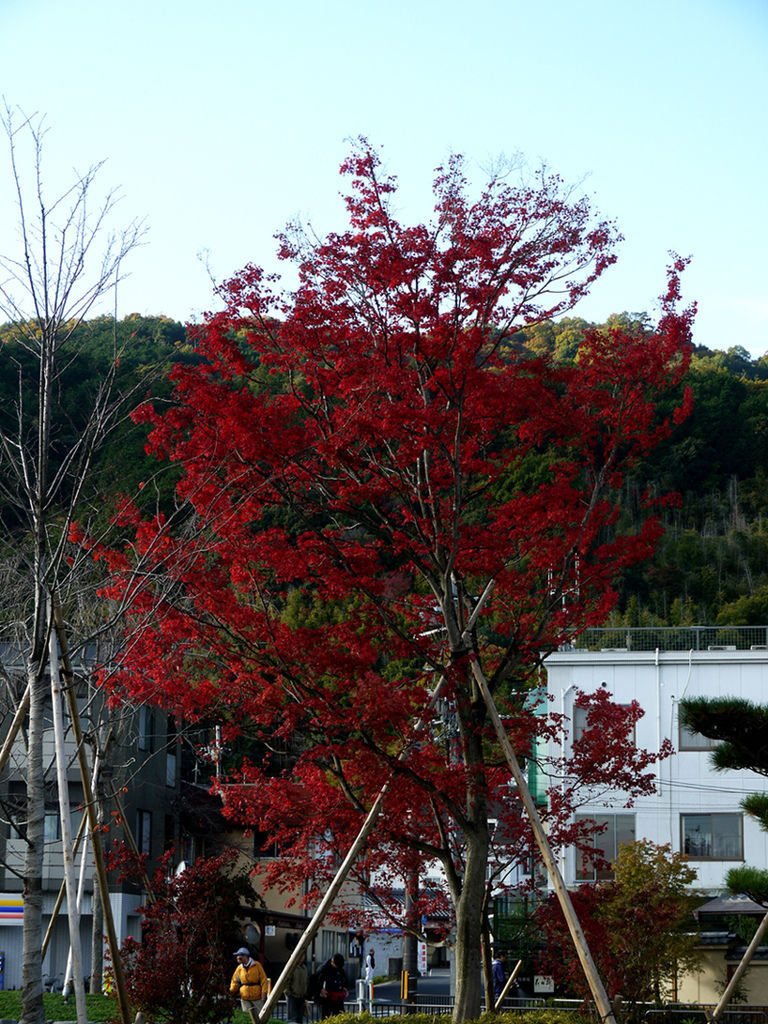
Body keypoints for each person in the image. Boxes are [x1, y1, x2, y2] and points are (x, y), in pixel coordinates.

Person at [229, 946, 269, 1019]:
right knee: (247, 1017)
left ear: (245, 956)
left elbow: (264, 980)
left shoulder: (257, 965)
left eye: (240, 957)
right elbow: (234, 981)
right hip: (245, 997)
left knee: (261, 1016)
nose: (238, 958)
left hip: (257, 997)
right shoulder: (239, 968)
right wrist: (231, 991)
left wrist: (264, 993)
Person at [315, 953, 348, 1019]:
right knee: (326, 1017)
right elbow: (315, 981)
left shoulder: (339, 968)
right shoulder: (323, 969)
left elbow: (344, 978)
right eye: (336, 966)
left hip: (338, 997)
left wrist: (344, 987)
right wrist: (320, 989)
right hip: (326, 998)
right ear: (332, 962)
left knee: (340, 1016)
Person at [285, 953, 308, 1023]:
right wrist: (288, 993)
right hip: (292, 996)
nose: (302, 957)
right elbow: (286, 981)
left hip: (301, 996)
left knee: (299, 1018)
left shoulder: (304, 968)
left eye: (303, 955)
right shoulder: (291, 967)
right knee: (292, 1019)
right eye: (300, 955)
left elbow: (306, 981)